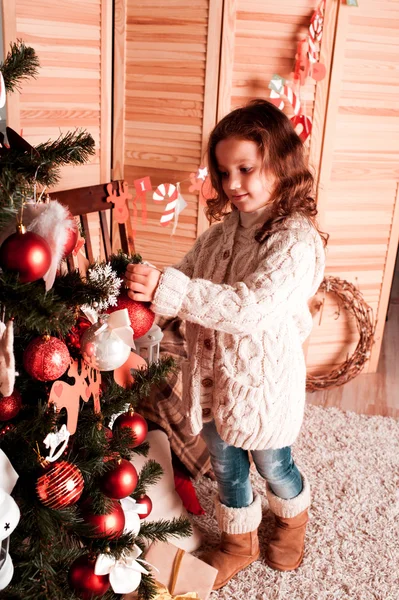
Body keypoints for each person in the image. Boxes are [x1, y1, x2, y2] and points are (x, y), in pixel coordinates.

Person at [125, 99, 328, 590]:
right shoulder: (219, 236)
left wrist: (170, 290)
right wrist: (144, 282)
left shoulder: (296, 242)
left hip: (263, 386)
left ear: (280, 165)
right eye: (223, 172)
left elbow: (250, 307)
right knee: (225, 464)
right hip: (210, 380)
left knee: (272, 463)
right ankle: (240, 541)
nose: (232, 184)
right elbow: (184, 279)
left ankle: (291, 518)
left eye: (245, 169)